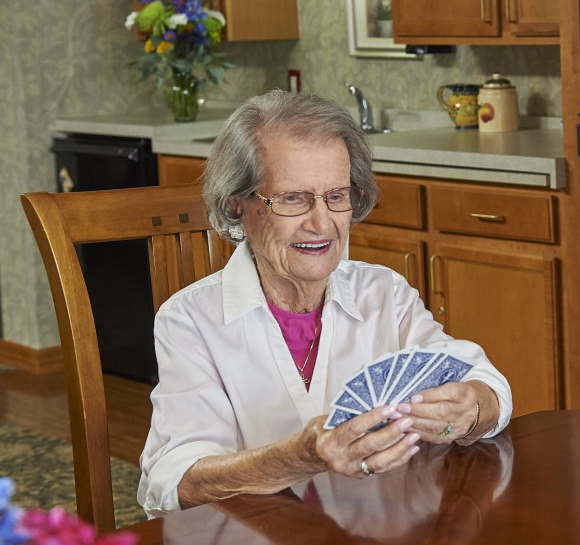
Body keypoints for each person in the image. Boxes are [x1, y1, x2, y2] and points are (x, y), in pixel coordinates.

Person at [138, 90, 512, 517]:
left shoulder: (383, 293)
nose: (322, 223)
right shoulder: (189, 321)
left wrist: (473, 407)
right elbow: (175, 482)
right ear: (237, 204)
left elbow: (481, 378)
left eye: (336, 196)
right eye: (293, 198)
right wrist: (302, 455)